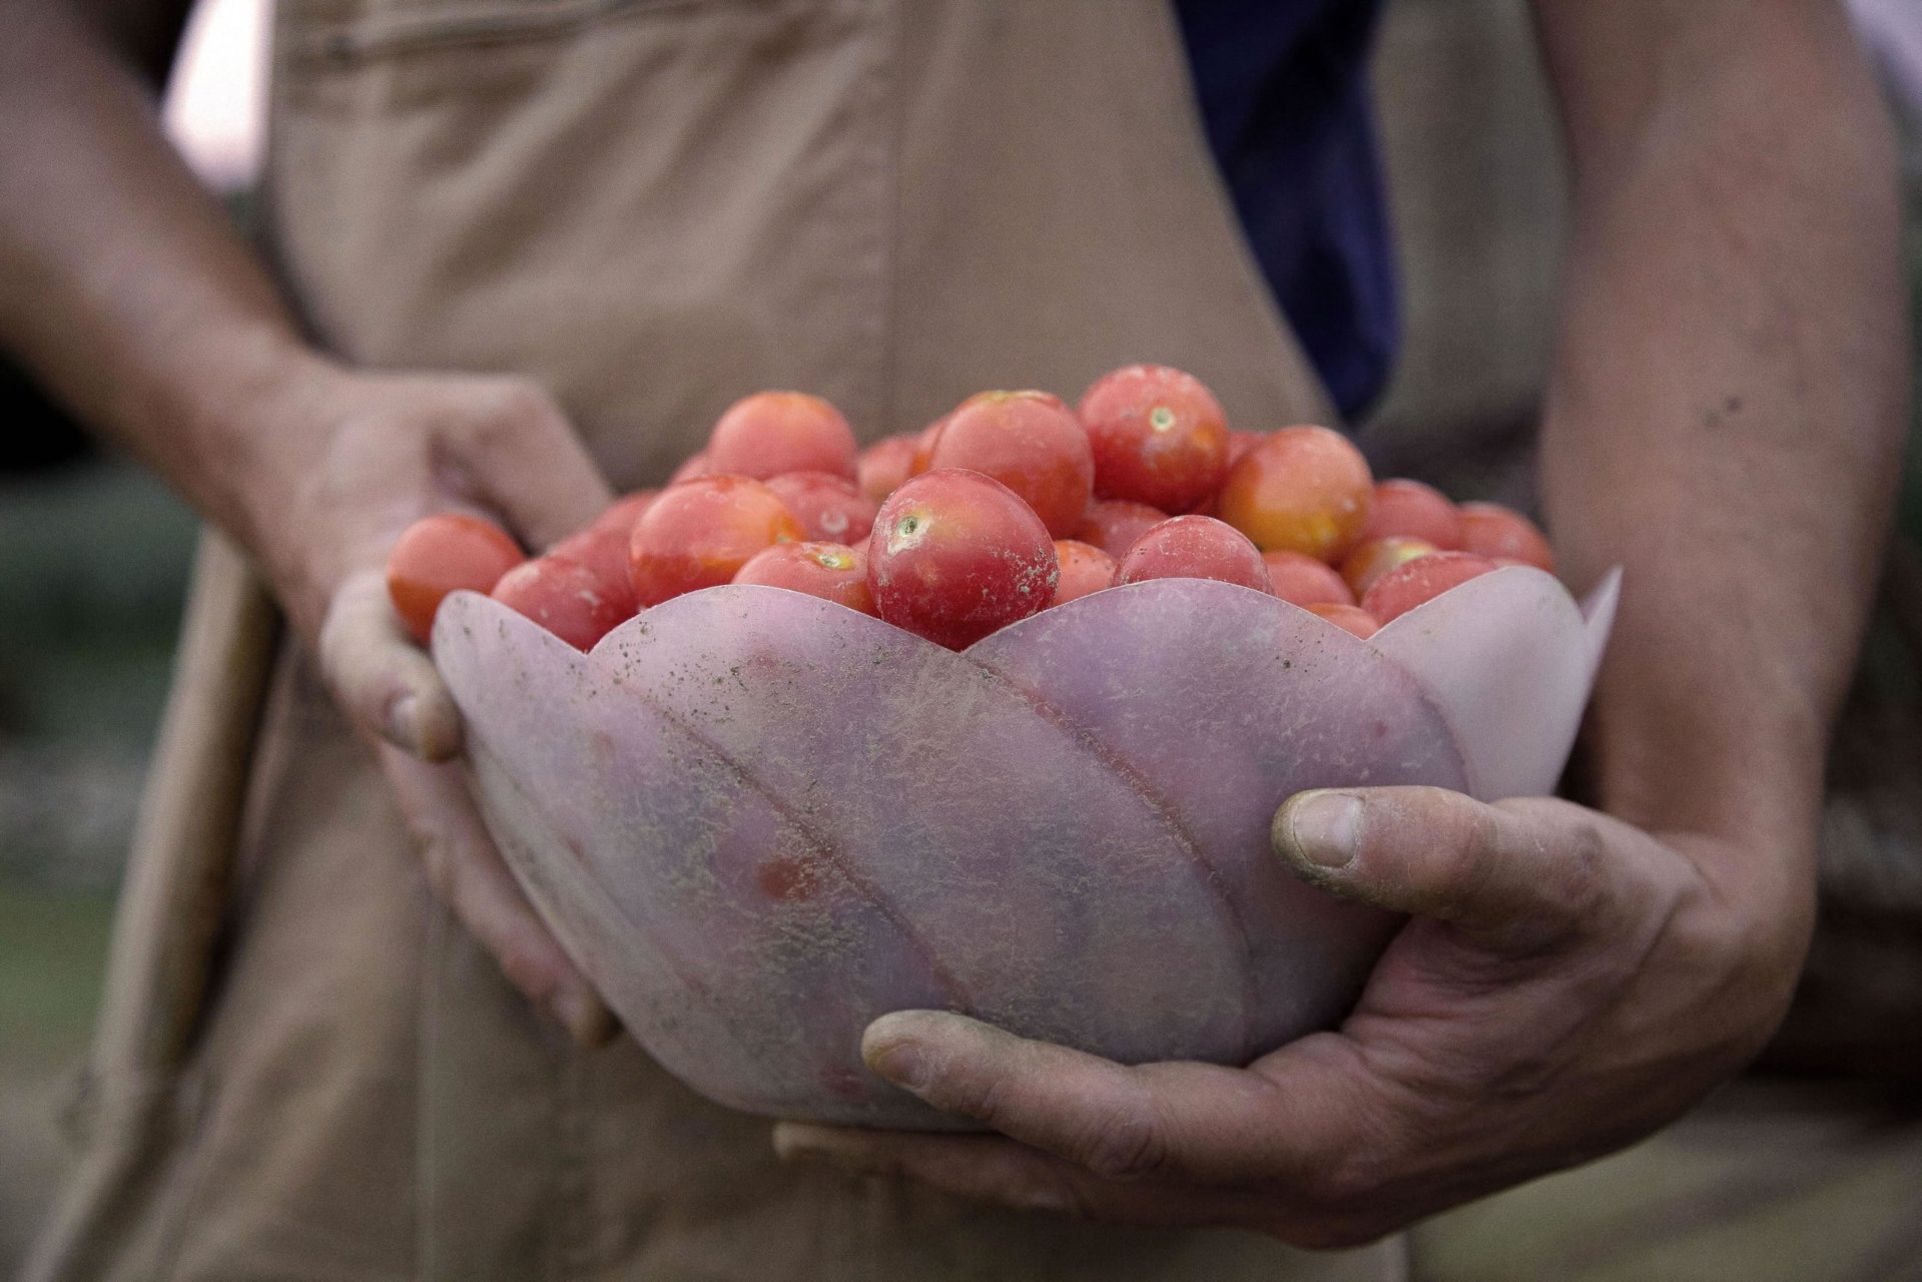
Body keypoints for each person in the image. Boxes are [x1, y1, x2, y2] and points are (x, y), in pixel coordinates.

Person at [0, 0, 1906, 1278]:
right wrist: (266, 421)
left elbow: (1713, 68)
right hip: (415, 840)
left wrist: (1718, 835)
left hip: (1216, 921)